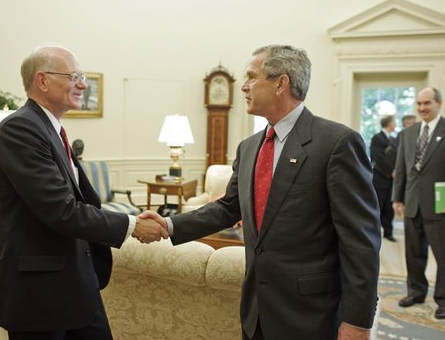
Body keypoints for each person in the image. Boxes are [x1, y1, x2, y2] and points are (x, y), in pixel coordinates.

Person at [141, 45, 381, 339]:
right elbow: (229, 207)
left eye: (251, 77)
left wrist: (358, 321)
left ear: (281, 83)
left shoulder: (337, 143)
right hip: (256, 309)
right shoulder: (249, 147)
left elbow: (361, 240)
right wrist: (170, 224)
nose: (243, 86)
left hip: (311, 314)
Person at [0, 45, 167, 340]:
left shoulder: (50, 129)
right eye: (74, 76)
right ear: (43, 81)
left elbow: (79, 200)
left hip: (76, 282)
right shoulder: (20, 129)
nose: (83, 84)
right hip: (40, 293)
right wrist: (133, 225)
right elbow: (61, 209)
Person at [392, 87, 445, 320]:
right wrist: (398, 198)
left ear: (439, 104)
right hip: (412, 202)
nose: (422, 108)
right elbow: (401, 168)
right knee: (413, 253)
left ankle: (443, 299)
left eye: (427, 103)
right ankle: (416, 291)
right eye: (419, 104)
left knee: (442, 255)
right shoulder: (409, 133)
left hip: (440, 204)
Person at [370, 115, 397, 241]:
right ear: (388, 123)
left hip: (392, 180)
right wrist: (390, 171)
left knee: (389, 207)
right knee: (378, 206)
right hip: (380, 178)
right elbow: (377, 158)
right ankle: (374, 232)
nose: (395, 124)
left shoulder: (393, 139)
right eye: (394, 122)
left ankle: (388, 232)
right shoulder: (377, 138)